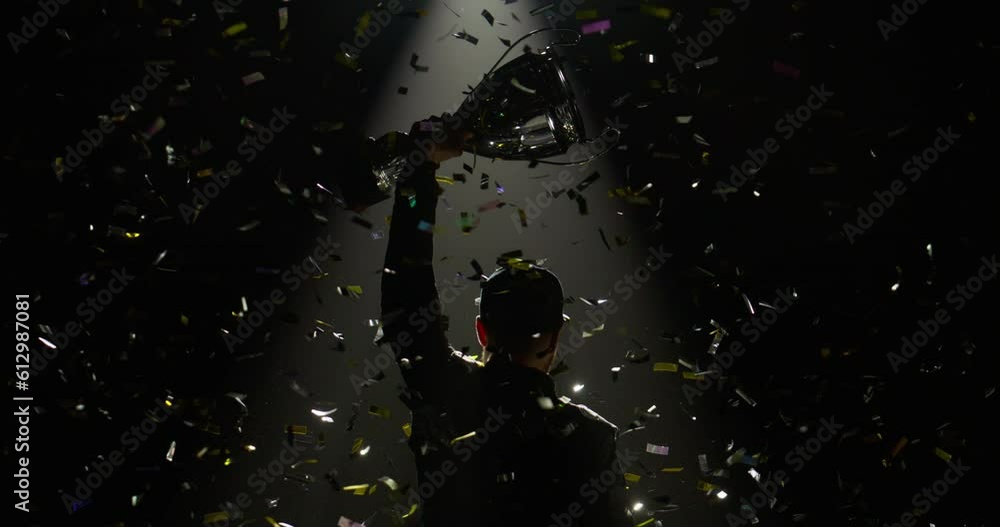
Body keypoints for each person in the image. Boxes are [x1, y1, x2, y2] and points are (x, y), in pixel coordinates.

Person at [378, 116, 632, 526]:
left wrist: (420, 170)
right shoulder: (590, 437)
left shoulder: (445, 394)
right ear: (556, 338)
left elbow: (406, 298)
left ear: (481, 330)